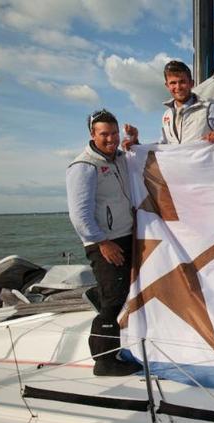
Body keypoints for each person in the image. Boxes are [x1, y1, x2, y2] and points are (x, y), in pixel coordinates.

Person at [66, 109, 142, 377]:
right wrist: (102, 242)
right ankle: (104, 360)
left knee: (124, 288)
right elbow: (79, 215)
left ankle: (96, 293)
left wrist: (135, 142)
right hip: (105, 241)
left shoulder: (119, 158)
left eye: (114, 133)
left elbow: (138, 161)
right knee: (113, 301)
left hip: (124, 234)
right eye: (104, 134)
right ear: (92, 135)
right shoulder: (84, 166)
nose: (110, 138)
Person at [160, 60, 214, 145]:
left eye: (182, 82)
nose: (178, 87)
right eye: (173, 83)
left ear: (191, 83)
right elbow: (163, 145)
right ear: (167, 86)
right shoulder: (167, 115)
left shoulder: (209, 109)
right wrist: (141, 148)